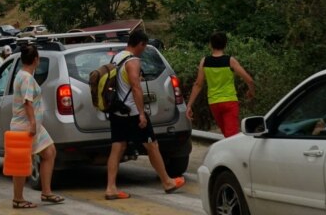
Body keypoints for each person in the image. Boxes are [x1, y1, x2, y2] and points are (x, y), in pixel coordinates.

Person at [105, 29, 185, 200]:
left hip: (118, 111)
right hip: (132, 112)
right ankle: (167, 182)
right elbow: (135, 87)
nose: (143, 49)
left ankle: (111, 188)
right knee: (152, 145)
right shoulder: (133, 61)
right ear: (140, 44)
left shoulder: (117, 57)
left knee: (117, 147)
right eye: (144, 46)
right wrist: (141, 113)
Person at [10, 44, 63, 209]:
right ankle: (18, 199)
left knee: (50, 151)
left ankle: (46, 192)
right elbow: (27, 102)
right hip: (26, 126)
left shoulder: (22, 75)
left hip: (34, 126)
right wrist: (33, 123)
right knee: (21, 162)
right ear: (36, 60)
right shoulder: (26, 78)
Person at [185, 31, 255, 138]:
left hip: (214, 103)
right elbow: (249, 80)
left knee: (227, 135)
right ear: (225, 44)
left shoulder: (205, 61)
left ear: (210, 44)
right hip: (230, 102)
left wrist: (189, 105)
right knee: (231, 137)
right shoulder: (230, 61)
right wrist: (251, 92)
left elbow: (198, 84)